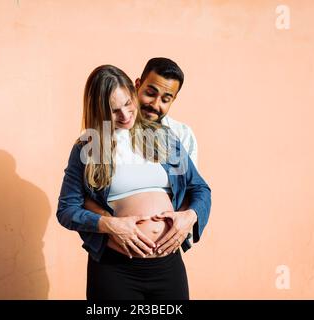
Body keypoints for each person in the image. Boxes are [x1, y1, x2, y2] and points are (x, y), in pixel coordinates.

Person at [56, 65, 211, 300]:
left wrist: (189, 217)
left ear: (133, 92)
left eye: (128, 104)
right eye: (114, 110)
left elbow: (199, 188)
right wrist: (110, 225)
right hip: (115, 269)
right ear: (98, 110)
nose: (126, 116)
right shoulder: (90, 147)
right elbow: (67, 210)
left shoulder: (164, 137)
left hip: (167, 267)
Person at [85, 57, 200, 256]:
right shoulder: (98, 139)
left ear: (173, 99)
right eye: (150, 93)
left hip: (166, 260)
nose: (155, 104)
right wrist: (110, 223)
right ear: (137, 85)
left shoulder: (177, 136)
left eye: (165, 99)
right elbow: (79, 199)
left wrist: (187, 218)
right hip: (117, 261)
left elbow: (193, 189)